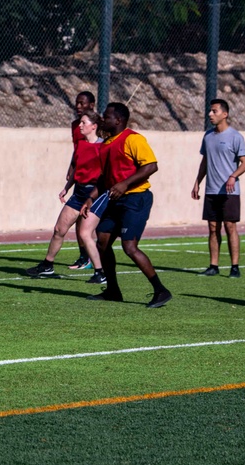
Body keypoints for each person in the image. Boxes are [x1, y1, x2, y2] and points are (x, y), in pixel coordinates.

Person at [81, 102, 172, 308]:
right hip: (115, 200)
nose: (103, 119)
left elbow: (151, 166)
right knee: (102, 242)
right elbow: (105, 178)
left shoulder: (133, 139)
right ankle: (113, 290)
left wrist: (124, 184)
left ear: (119, 120)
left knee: (129, 247)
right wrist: (90, 198)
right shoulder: (106, 145)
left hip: (136, 198)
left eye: (107, 116)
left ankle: (160, 290)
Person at [27, 110, 106, 284]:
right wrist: (66, 188)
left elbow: (106, 174)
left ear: (94, 126)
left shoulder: (104, 146)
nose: (80, 125)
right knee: (59, 230)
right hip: (78, 193)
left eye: (84, 123)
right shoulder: (80, 145)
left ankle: (100, 272)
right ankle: (48, 265)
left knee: (85, 234)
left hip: (94, 194)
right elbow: (76, 170)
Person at [191, 98, 245, 278]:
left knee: (230, 226)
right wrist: (197, 182)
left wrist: (233, 176)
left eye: (214, 111)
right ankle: (213, 266)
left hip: (229, 192)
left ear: (225, 114)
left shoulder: (235, 137)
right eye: (210, 111)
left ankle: (234, 267)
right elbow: (205, 161)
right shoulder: (207, 136)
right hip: (211, 190)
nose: (210, 114)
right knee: (212, 227)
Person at [65, 91, 97, 271]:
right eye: (77, 103)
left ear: (91, 105)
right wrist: (71, 171)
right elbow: (77, 152)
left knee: (89, 222)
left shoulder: (96, 125)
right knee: (79, 220)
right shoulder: (75, 126)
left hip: (95, 182)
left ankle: (94, 258)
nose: (78, 106)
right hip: (81, 178)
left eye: (82, 103)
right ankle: (85, 256)